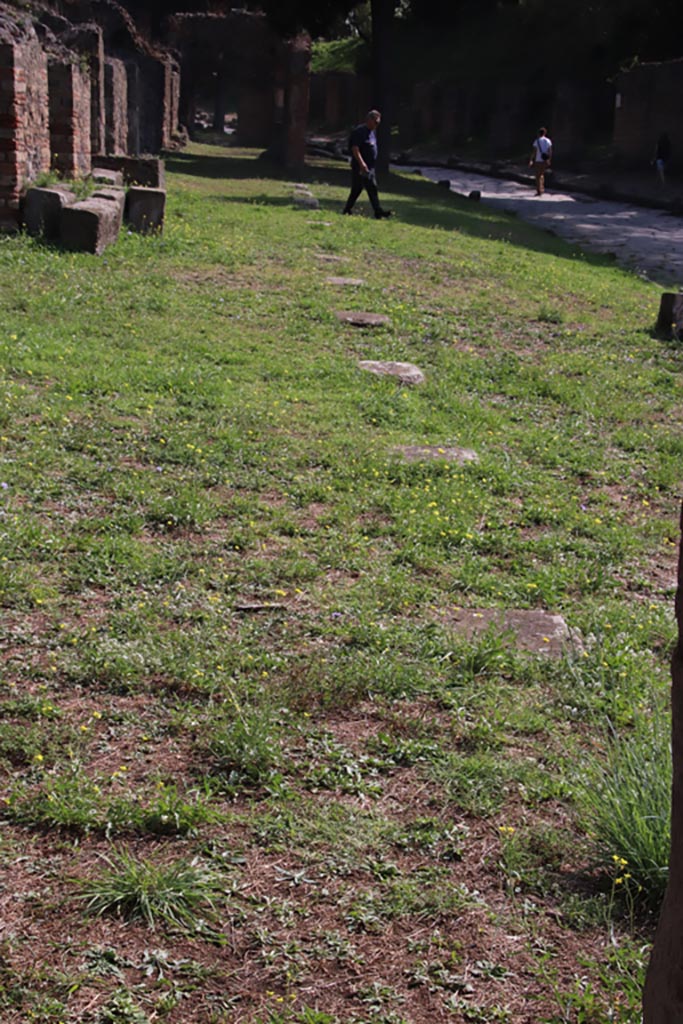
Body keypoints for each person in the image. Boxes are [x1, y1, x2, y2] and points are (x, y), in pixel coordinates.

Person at [342, 109, 393, 219]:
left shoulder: (372, 132)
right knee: (361, 188)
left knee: (368, 188)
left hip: (370, 167)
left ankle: (376, 211)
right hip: (360, 166)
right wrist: (362, 164)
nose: (377, 125)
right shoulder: (359, 132)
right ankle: (375, 211)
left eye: (378, 123)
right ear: (369, 120)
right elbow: (355, 149)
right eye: (375, 122)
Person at [528, 127, 553, 196]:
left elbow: (534, 151)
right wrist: (549, 159)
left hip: (538, 160)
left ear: (539, 133)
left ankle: (539, 190)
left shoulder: (537, 141)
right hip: (545, 160)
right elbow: (550, 151)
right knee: (542, 174)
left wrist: (531, 160)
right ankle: (542, 188)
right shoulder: (548, 141)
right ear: (545, 133)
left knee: (538, 176)